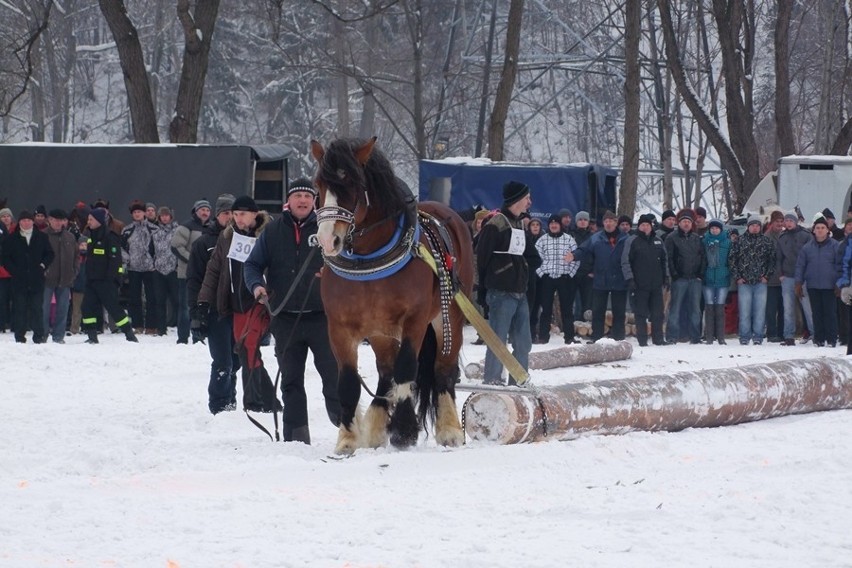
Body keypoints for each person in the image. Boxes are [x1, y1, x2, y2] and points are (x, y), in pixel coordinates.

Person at [244, 178, 341, 443]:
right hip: (285, 318)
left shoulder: (327, 229)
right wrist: (257, 287)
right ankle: (297, 438)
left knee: (333, 376)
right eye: (298, 195)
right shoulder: (273, 231)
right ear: (289, 200)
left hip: (322, 317)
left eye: (307, 196)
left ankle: (344, 424)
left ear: (314, 201)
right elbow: (252, 265)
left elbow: (347, 261)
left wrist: (332, 271)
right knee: (291, 381)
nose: (303, 200)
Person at [196, 195, 280, 415]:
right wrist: (203, 301)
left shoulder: (268, 234)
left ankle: (255, 401)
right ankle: (268, 400)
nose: (237, 218)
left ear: (255, 214)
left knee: (249, 346)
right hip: (236, 303)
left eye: (242, 214)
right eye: (234, 214)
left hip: (260, 301)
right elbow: (214, 270)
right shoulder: (228, 236)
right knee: (245, 349)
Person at [475, 180, 534, 386]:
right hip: (500, 292)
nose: (530, 202)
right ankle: (492, 381)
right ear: (517, 199)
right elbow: (481, 258)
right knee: (497, 342)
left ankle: (519, 381)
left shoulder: (519, 223)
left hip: (519, 291)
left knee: (523, 342)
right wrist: (482, 290)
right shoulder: (495, 224)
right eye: (527, 198)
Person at [187, 193, 241, 414]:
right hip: (214, 310)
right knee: (222, 361)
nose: (230, 218)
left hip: (238, 309)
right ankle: (219, 404)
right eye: (226, 213)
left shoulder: (243, 239)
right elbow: (194, 280)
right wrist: (196, 313)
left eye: (233, 213)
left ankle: (231, 398)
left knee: (236, 361)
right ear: (218, 215)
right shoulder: (204, 243)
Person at [80, 208, 137, 344]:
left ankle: (129, 334)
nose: (88, 222)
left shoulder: (110, 237)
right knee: (87, 307)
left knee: (113, 308)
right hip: (92, 280)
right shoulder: (90, 236)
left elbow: (115, 260)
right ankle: (92, 336)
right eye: (88, 219)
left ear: (99, 221)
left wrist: (112, 280)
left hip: (106, 281)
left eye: (91, 220)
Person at [0, 210, 54, 343]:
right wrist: (14, 270)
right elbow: (5, 258)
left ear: (32, 222)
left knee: (37, 308)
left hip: (37, 279)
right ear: (19, 222)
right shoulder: (12, 238)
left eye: (29, 220)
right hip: (19, 280)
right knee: (20, 308)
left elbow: (50, 254)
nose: (26, 222)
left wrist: (42, 266)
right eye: (23, 220)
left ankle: (38, 335)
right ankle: (19, 335)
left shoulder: (41, 237)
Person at [576, 210, 629, 342]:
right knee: (598, 310)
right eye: (606, 221)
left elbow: (633, 257)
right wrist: (574, 255)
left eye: (611, 221)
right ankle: (596, 337)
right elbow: (584, 250)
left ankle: (618, 337)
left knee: (619, 311)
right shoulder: (596, 237)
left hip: (619, 279)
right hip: (600, 279)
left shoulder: (625, 238)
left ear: (616, 223)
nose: (608, 223)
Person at [729, 216, 776, 345]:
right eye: (752, 225)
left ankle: (758, 336)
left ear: (760, 227)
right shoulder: (739, 241)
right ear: (748, 226)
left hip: (761, 282)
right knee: (744, 311)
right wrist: (738, 277)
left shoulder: (766, 241)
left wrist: (767, 276)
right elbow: (732, 260)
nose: (755, 228)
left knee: (760, 311)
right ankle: (744, 336)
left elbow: (772, 260)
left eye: (757, 225)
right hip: (744, 282)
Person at [622, 213, 668, 346]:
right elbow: (625, 261)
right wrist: (629, 278)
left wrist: (666, 276)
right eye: (642, 225)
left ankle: (658, 339)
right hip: (639, 284)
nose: (645, 227)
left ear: (651, 226)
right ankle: (642, 340)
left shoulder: (658, 240)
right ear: (639, 226)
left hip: (656, 284)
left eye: (647, 225)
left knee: (658, 313)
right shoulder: (632, 240)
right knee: (640, 313)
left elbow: (664, 260)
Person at [795, 216, 840, 347]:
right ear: (813, 230)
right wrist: (798, 283)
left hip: (830, 286)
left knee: (830, 313)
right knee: (816, 313)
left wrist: (840, 283)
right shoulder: (807, 248)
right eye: (817, 228)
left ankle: (831, 338)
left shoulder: (835, 246)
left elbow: (841, 265)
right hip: (813, 285)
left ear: (827, 230)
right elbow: (800, 266)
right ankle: (819, 338)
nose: (820, 230)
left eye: (823, 228)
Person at [171, 198, 212, 344]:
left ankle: (198, 335)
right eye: (202, 209)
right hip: (186, 274)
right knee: (185, 306)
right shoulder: (186, 227)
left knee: (200, 306)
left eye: (207, 210)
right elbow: (176, 246)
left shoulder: (211, 229)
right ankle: (182, 338)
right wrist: (194, 260)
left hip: (206, 275)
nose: (205, 212)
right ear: (195, 211)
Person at [535, 214, 580, 344]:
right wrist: (542, 273)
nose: (554, 226)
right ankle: (543, 337)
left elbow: (575, 258)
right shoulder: (542, 240)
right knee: (546, 309)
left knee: (567, 309)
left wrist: (570, 273)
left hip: (564, 278)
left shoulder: (569, 240)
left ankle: (569, 337)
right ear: (548, 226)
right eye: (551, 224)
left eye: (556, 224)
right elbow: (536, 259)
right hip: (547, 279)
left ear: (560, 225)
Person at [664, 208, 706, 344]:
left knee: (695, 309)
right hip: (679, 279)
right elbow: (668, 258)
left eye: (688, 221)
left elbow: (702, 257)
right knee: (675, 309)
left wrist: (700, 274)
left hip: (695, 279)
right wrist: (674, 275)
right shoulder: (672, 238)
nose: (686, 224)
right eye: (684, 222)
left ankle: (695, 336)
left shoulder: (696, 238)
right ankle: (672, 336)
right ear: (679, 223)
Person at [121, 200, 160, 334]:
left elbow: (160, 248)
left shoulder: (154, 229)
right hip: (133, 268)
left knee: (152, 297)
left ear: (144, 213)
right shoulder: (127, 230)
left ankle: (151, 326)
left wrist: (154, 262)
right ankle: (137, 325)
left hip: (150, 269)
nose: (137, 214)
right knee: (134, 298)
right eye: (135, 212)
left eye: (139, 212)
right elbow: (122, 248)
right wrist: (127, 260)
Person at [777, 212, 814, 345]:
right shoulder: (782, 237)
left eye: (790, 221)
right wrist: (780, 274)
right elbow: (778, 257)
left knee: (807, 307)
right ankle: (788, 336)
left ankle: (815, 333)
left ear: (796, 222)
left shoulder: (806, 235)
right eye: (786, 221)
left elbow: (811, 255)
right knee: (788, 308)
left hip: (803, 277)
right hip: (787, 276)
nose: (788, 223)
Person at [42, 209, 79, 344]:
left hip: (65, 279)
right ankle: (43, 334)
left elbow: (76, 257)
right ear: (49, 220)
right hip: (46, 280)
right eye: (55, 220)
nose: (58, 223)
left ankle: (58, 336)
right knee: (44, 309)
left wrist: (74, 272)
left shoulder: (70, 237)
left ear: (65, 221)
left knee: (63, 309)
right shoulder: (42, 236)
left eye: (61, 220)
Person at [701, 219, 732, 344]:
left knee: (720, 308)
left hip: (722, 278)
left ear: (721, 229)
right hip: (708, 278)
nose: (714, 230)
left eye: (716, 228)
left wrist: (728, 272)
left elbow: (731, 260)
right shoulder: (704, 242)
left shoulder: (728, 242)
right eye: (712, 228)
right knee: (709, 308)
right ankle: (709, 336)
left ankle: (721, 337)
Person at [152, 206, 180, 335]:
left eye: (166, 215)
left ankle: (181, 326)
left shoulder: (178, 230)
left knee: (177, 301)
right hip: (158, 270)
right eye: (162, 215)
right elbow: (150, 249)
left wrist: (177, 265)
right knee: (159, 301)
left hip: (173, 270)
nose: (164, 217)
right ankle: (161, 329)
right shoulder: (155, 232)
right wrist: (153, 264)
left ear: (171, 216)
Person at [764, 211, 785, 342]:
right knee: (771, 309)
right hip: (771, 279)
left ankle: (782, 332)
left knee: (783, 308)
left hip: (783, 278)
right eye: (777, 221)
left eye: (781, 221)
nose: (779, 224)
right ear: (772, 222)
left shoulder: (784, 235)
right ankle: (771, 333)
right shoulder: (766, 237)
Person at [570, 210, 594, 318]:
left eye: (585, 220)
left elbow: (597, 255)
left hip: (588, 274)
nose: (583, 222)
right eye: (580, 220)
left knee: (588, 303)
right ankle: (575, 325)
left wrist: (593, 271)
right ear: (576, 221)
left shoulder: (593, 237)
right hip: (574, 274)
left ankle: (586, 327)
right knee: (575, 304)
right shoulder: (571, 235)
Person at [525, 217, 544, 342]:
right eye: (533, 225)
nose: (535, 227)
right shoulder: (525, 239)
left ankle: (533, 333)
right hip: (527, 277)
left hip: (541, 277)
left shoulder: (544, 239)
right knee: (525, 306)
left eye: (537, 225)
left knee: (536, 305)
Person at [0, 206, 14, 332]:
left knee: (15, 299)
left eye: (7, 216)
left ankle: (14, 323)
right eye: (3, 216)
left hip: (14, 271)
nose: (5, 218)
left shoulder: (17, 229)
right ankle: (3, 323)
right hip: (2, 272)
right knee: (2, 299)